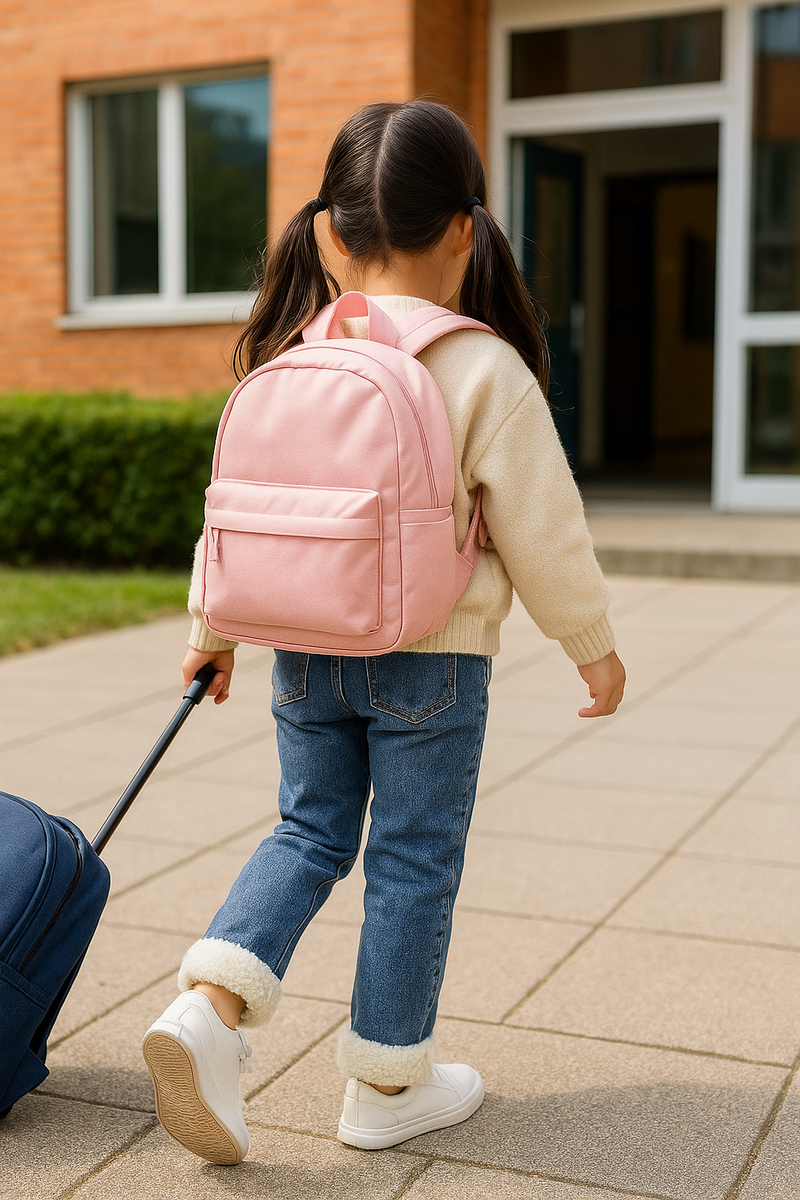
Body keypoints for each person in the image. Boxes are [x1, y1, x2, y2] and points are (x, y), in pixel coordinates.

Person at [141, 99, 626, 1166]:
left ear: (327, 234)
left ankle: (208, 1010)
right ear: (464, 230)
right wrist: (589, 642)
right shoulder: (482, 366)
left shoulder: (295, 351)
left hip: (303, 651)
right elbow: (543, 528)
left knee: (307, 832)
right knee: (411, 860)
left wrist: (211, 630)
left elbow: (239, 510)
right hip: (430, 661)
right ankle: (387, 1084)